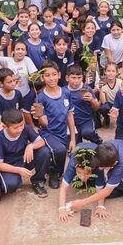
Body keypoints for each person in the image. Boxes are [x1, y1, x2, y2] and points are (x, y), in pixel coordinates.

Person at [67, 140, 123, 214]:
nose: (100, 169)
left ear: (115, 163)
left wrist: (82, 203)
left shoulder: (121, 164)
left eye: (104, 167)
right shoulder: (104, 149)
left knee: (118, 180)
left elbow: (106, 191)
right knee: (106, 191)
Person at [34, 60, 76, 189]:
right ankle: (53, 172)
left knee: (62, 152)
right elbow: (44, 123)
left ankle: (56, 173)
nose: (51, 78)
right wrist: (39, 115)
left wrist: (73, 139)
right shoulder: (40, 98)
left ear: (59, 75)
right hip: (49, 132)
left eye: (53, 74)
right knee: (60, 150)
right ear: (42, 77)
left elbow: (69, 115)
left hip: (62, 133)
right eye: (47, 75)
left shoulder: (66, 93)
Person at [0, 108, 50, 198]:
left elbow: (41, 142)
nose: (20, 129)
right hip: (10, 165)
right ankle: (15, 178)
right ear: (5, 126)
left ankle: (37, 181)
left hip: (24, 159)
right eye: (16, 127)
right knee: (9, 186)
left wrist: (31, 146)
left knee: (44, 152)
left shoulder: (25, 128)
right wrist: (19, 170)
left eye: (22, 125)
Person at [58, 144, 106, 221]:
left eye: (87, 173)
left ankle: (91, 179)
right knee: (77, 185)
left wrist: (100, 207)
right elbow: (63, 187)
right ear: (75, 167)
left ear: (93, 168)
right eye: (79, 172)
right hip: (79, 147)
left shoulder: (98, 166)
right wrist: (62, 209)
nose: (83, 177)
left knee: (97, 183)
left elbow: (100, 189)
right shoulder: (73, 164)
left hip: (95, 151)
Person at [66, 65, 102, 145]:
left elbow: (97, 108)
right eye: (73, 78)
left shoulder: (87, 89)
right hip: (71, 124)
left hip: (86, 120)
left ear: (82, 77)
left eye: (79, 78)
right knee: (76, 148)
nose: (76, 81)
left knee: (87, 132)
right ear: (67, 78)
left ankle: (98, 141)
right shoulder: (63, 91)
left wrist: (92, 100)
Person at [99, 62, 122, 128]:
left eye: (113, 71)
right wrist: (101, 88)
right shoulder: (103, 84)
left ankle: (121, 120)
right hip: (109, 104)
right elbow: (103, 101)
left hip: (119, 103)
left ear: (116, 73)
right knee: (104, 107)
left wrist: (117, 107)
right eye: (108, 71)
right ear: (105, 72)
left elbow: (122, 97)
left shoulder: (120, 82)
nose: (110, 73)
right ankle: (106, 117)